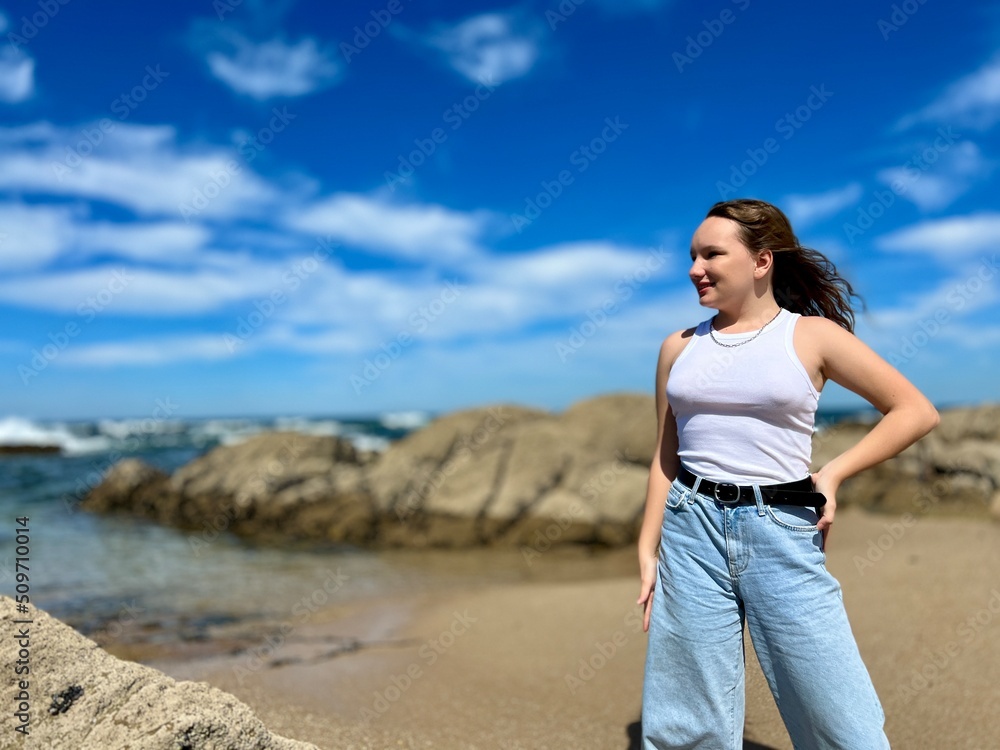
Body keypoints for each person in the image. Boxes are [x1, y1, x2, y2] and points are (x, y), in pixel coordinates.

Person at [635, 198, 939, 749]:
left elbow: (915, 411)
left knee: (839, 718)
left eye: (711, 254)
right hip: (690, 528)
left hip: (780, 525)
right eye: (691, 255)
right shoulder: (677, 348)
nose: (694, 268)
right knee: (685, 722)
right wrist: (647, 545)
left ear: (761, 261)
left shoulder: (811, 336)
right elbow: (667, 454)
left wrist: (834, 474)